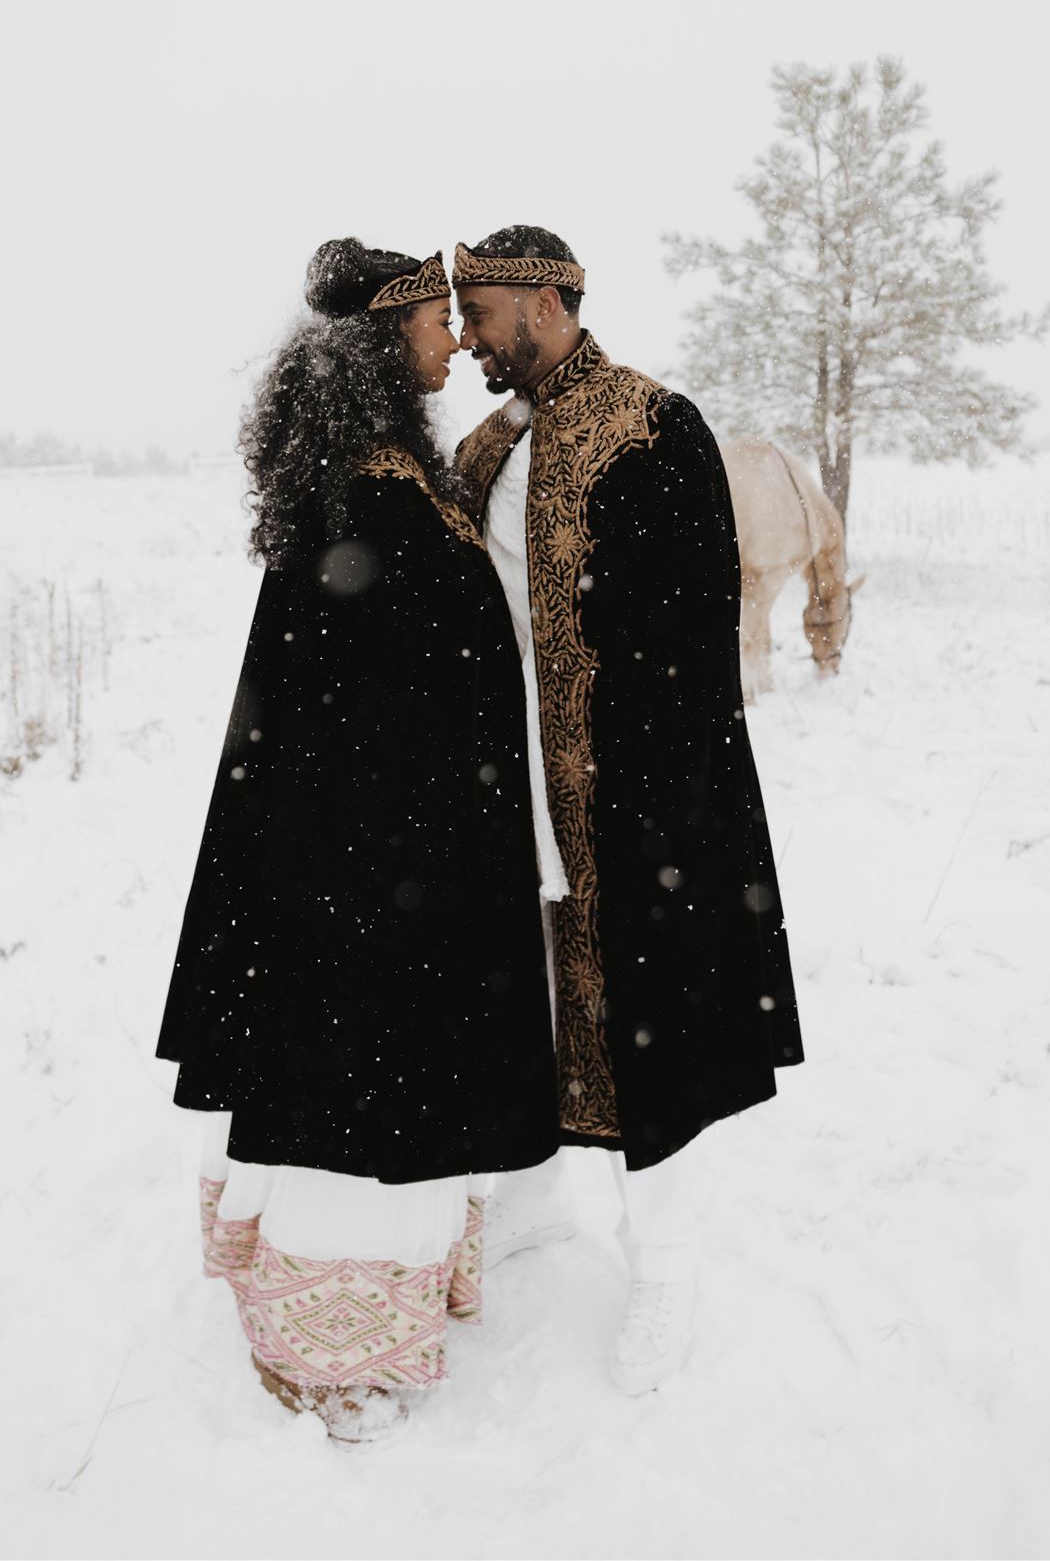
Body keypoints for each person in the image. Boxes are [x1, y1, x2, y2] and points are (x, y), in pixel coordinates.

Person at [157, 240, 558, 1447]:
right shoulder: (369, 493)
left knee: (374, 1085)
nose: (453, 340)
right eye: (435, 322)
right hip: (373, 874)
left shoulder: (387, 474)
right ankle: (336, 1352)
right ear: (383, 345)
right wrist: (415, 860)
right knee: (362, 1092)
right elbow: (370, 709)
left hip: (389, 857)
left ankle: (375, 1305)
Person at [452, 227, 804, 1396]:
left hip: (635, 806)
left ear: (549, 301)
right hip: (514, 798)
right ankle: (542, 1193)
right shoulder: (488, 444)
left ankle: (668, 1264)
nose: (467, 334)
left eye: (485, 310)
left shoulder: (654, 426)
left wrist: (656, 810)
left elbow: (695, 643)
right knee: (535, 1002)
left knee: (651, 1028)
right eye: (455, 309)